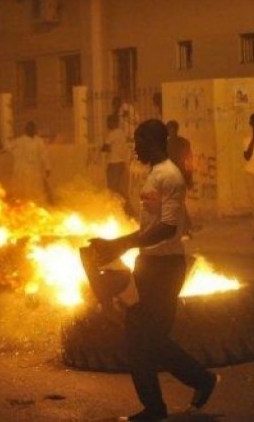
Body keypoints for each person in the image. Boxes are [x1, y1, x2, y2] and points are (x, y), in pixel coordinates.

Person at [89, 119, 219, 422]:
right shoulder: (152, 176)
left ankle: (190, 387)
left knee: (146, 338)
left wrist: (121, 243)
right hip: (148, 264)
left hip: (165, 266)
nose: (135, 146)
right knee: (143, 338)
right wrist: (119, 247)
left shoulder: (170, 177)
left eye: (139, 140)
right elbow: (149, 224)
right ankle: (177, 394)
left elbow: (167, 228)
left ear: (154, 141)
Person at [2, 120, 52, 204]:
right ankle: (25, 207)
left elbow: (44, 155)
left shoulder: (39, 141)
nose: (30, 130)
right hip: (24, 170)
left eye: (32, 128)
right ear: (26, 130)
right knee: (25, 190)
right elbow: (9, 146)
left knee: (37, 190)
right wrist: (3, 147)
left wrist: (48, 167)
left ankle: (38, 206)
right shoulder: (20, 140)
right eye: (28, 128)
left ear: (34, 129)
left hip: (36, 170)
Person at [102, 114, 133, 217]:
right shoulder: (122, 133)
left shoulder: (113, 134)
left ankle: (118, 213)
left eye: (109, 122)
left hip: (114, 164)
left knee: (113, 190)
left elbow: (104, 147)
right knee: (121, 190)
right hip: (122, 164)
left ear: (113, 122)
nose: (107, 124)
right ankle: (128, 212)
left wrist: (107, 149)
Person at [166, 120, 194, 236]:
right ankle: (186, 228)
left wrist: (189, 178)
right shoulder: (181, 143)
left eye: (170, 129)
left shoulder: (168, 144)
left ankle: (185, 229)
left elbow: (189, 162)